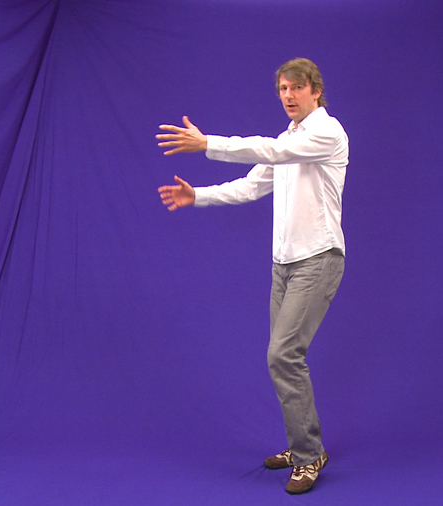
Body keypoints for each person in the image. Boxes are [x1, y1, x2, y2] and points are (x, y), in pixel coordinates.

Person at [156, 57, 347, 495]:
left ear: (316, 91)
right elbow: (251, 185)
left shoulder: (327, 132)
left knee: (283, 356)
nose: (288, 95)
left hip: (318, 259)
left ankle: (309, 456)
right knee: (284, 360)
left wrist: (208, 143)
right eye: (282, 89)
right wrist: (198, 195)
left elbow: (271, 152)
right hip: (284, 265)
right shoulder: (289, 138)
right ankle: (304, 446)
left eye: (296, 87)